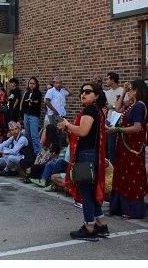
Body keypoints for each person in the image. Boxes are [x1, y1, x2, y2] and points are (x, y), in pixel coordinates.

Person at [58, 82, 109, 241]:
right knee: (92, 192)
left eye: (88, 91)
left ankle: (89, 227)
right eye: (82, 91)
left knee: (86, 193)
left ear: (97, 95)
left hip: (86, 154)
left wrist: (67, 125)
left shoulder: (90, 110)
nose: (83, 94)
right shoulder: (98, 111)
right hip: (92, 154)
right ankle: (101, 224)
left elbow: (82, 131)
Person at [106, 79, 147, 220]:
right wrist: (123, 91)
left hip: (133, 149)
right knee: (122, 174)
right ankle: (119, 206)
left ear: (135, 91)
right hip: (125, 147)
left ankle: (133, 210)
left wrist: (117, 129)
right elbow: (117, 109)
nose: (128, 92)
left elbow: (137, 127)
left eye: (130, 90)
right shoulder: (132, 105)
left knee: (132, 176)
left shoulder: (139, 106)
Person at [103, 72, 124, 162]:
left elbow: (126, 104)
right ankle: (107, 164)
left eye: (108, 79)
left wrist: (113, 106)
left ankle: (113, 166)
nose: (106, 81)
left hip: (118, 119)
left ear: (112, 80)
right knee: (106, 144)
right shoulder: (107, 93)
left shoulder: (122, 90)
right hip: (108, 119)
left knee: (112, 144)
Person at [20, 77, 43, 155]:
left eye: (33, 83)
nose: (31, 85)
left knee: (34, 136)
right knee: (27, 135)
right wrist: (28, 103)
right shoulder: (26, 92)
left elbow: (37, 103)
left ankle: (38, 153)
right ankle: (31, 151)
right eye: (30, 83)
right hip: (26, 114)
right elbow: (23, 104)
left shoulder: (38, 93)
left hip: (34, 116)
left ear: (36, 84)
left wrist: (31, 102)